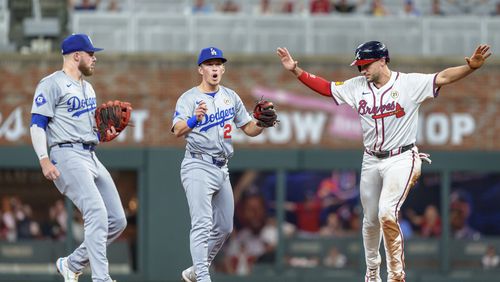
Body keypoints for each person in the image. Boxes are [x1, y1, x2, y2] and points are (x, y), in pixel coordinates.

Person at [277, 41, 491, 282]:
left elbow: (442, 77)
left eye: (366, 64)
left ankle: (396, 275)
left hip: (401, 157)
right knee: (369, 221)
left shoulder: (408, 83)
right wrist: (296, 70)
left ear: (382, 60)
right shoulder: (357, 86)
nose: (362, 70)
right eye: (359, 66)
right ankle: (371, 273)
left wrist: (471, 68)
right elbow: (327, 88)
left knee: (387, 212)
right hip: (371, 159)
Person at [30, 33, 127, 282]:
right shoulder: (51, 83)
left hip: (90, 155)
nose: (94, 58)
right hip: (66, 154)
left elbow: (92, 128)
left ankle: (72, 263)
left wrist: (105, 132)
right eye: (91, 54)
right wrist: (43, 158)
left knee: (117, 220)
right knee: (97, 212)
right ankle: (101, 278)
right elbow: (37, 124)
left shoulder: (89, 87)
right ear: (76, 55)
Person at [172, 47, 272, 282]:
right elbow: (177, 130)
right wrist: (194, 119)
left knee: (225, 227)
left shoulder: (231, 96)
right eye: (209, 64)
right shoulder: (188, 98)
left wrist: (262, 124)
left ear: (223, 68)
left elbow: (249, 129)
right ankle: (204, 276)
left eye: (218, 64)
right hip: (198, 163)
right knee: (202, 224)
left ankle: (196, 270)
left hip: (221, 167)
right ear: (201, 69)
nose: (214, 68)